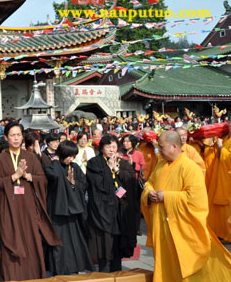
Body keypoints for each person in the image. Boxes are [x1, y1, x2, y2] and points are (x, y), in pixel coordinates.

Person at [141, 131, 231, 282]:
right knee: (164, 265)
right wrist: (149, 194)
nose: (159, 150)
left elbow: (196, 200)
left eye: (161, 147)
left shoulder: (190, 168)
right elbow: (149, 182)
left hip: (181, 230)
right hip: (161, 227)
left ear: (174, 146)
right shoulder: (161, 164)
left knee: (184, 269)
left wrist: (167, 197)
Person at [0, 122, 61, 281]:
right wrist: (14, 176)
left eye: (18, 135)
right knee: (10, 241)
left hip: (29, 208)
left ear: (22, 137)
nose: (16, 138)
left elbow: (43, 180)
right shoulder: (0, 159)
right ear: (6, 137)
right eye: (12, 135)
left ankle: (34, 276)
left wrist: (28, 176)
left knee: (32, 242)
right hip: (9, 209)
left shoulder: (31, 157)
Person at [86, 134, 138, 273]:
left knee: (118, 242)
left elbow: (131, 180)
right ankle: (104, 272)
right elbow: (96, 185)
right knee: (105, 243)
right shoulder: (94, 163)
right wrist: (108, 169)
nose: (111, 150)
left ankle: (117, 271)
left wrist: (117, 170)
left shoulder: (122, 162)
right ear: (101, 148)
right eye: (108, 146)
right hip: (103, 209)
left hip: (120, 208)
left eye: (114, 147)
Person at [44, 140, 93, 276]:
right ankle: (58, 270)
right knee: (59, 244)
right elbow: (52, 178)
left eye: (73, 156)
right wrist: (65, 180)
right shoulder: (53, 166)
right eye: (68, 156)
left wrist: (73, 184)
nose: (70, 159)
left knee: (74, 243)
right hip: (57, 212)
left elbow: (83, 185)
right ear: (61, 153)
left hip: (72, 213)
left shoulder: (75, 167)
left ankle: (74, 268)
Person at [205, 118, 231, 242]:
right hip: (219, 174)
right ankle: (219, 231)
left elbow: (228, 158)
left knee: (226, 204)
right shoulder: (225, 138)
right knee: (216, 203)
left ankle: (228, 232)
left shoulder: (224, 141)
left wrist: (221, 147)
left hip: (228, 177)